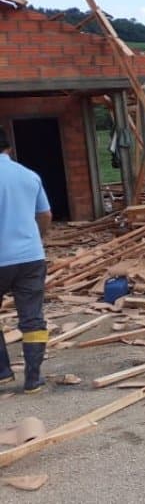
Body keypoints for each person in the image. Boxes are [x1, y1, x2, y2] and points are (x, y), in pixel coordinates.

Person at [0, 128, 52, 393]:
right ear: (8, 147)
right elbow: (45, 215)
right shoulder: (29, 175)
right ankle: (33, 378)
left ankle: (2, 372)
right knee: (32, 318)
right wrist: (36, 240)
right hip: (30, 257)